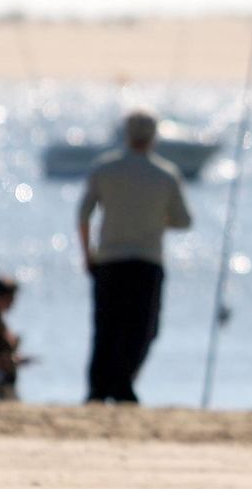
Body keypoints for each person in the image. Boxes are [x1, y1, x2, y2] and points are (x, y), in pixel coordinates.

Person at [77, 110, 192, 404]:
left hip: (109, 260)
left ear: (126, 135)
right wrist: (155, 219)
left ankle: (98, 390)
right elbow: (183, 221)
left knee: (106, 328)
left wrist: (87, 252)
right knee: (142, 329)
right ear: (154, 137)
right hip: (146, 262)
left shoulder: (104, 168)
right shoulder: (165, 174)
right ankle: (122, 384)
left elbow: (83, 215)